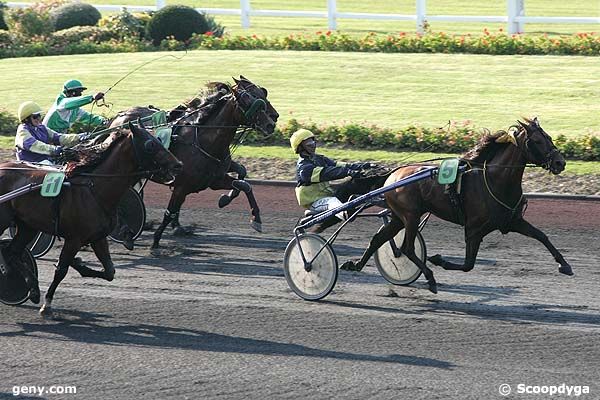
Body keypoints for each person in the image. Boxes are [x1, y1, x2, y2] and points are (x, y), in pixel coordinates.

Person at [290, 128, 377, 220]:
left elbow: (340, 165)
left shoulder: (319, 158)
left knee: (350, 186)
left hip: (327, 195)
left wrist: (365, 166)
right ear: (300, 147)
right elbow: (328, 172)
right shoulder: (304, 169)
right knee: (332, 201)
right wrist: (347, 172)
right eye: (309, 144)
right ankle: (344, 213)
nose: (313, 145)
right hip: (314, 203)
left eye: (313, 142)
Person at [15, 101, 90, 164]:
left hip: (45, 162)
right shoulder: (23, 130)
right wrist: (53, 150)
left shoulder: (42, 128)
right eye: (35, 116)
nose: (38, 118)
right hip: (30, 164)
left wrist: (79, 137)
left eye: (39, 116)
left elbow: (60, 137)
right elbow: (34, 145)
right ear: (26, 119)